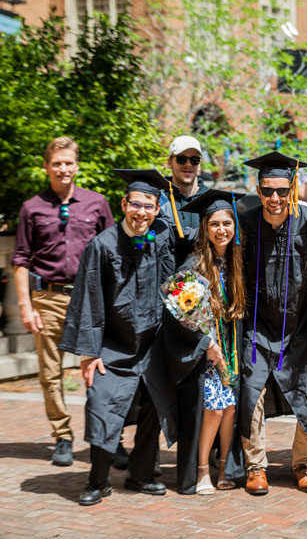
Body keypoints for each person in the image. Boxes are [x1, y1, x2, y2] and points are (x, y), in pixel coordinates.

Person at [59, 169, 188, 505]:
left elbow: (177, 282)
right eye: (136, 204)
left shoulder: (162, 237)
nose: (141, 212)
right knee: (102, 405)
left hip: (154, 345)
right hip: (114, 347)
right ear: (123, 204)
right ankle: (97, 480)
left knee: (152, 407)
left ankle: (141, 475)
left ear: (158, 208)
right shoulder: (102, 245)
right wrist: (89, 353)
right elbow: (89, 300)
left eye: (149, 205)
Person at [12, 137, 113, 467]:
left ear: (77, 165)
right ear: (46, 166)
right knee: (50, 373)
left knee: (99, 371)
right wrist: (26, 306)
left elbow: (112, 253)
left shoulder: (97, 204)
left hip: (90, 299)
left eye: (68, 162)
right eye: (57, 163)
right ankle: (62, 436)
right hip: (48, 298)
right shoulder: (32, 208)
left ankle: (107, 437)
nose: (63, 168)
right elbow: (21, 260)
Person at [238, 151, 307, 495]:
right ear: (257, 190)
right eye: (267, 190)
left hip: (300, 328)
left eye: (282, 190)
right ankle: (256, 466)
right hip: (258, 329)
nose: (275, 198)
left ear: (292, 188)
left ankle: (303, 464)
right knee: (250, 392)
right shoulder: (245, 225)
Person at [157, 189, 247, 495]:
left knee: (231, 409)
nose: (222, 230)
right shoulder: (193, 265)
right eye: (214, 224)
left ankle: (225, 466)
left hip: (231, 349)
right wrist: (206, 342)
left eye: (227, 223)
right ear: (205, 229)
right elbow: (181, 312)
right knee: (213, 410)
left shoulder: (237, 262)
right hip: (205, 353)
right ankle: (201, 470)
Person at [159, 135, 210, 231]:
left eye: (195, 160)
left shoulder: (210, 200)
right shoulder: (159, 198)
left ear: (199, 164)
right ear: (169, 162)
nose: (188, 164)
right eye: (181, 159)